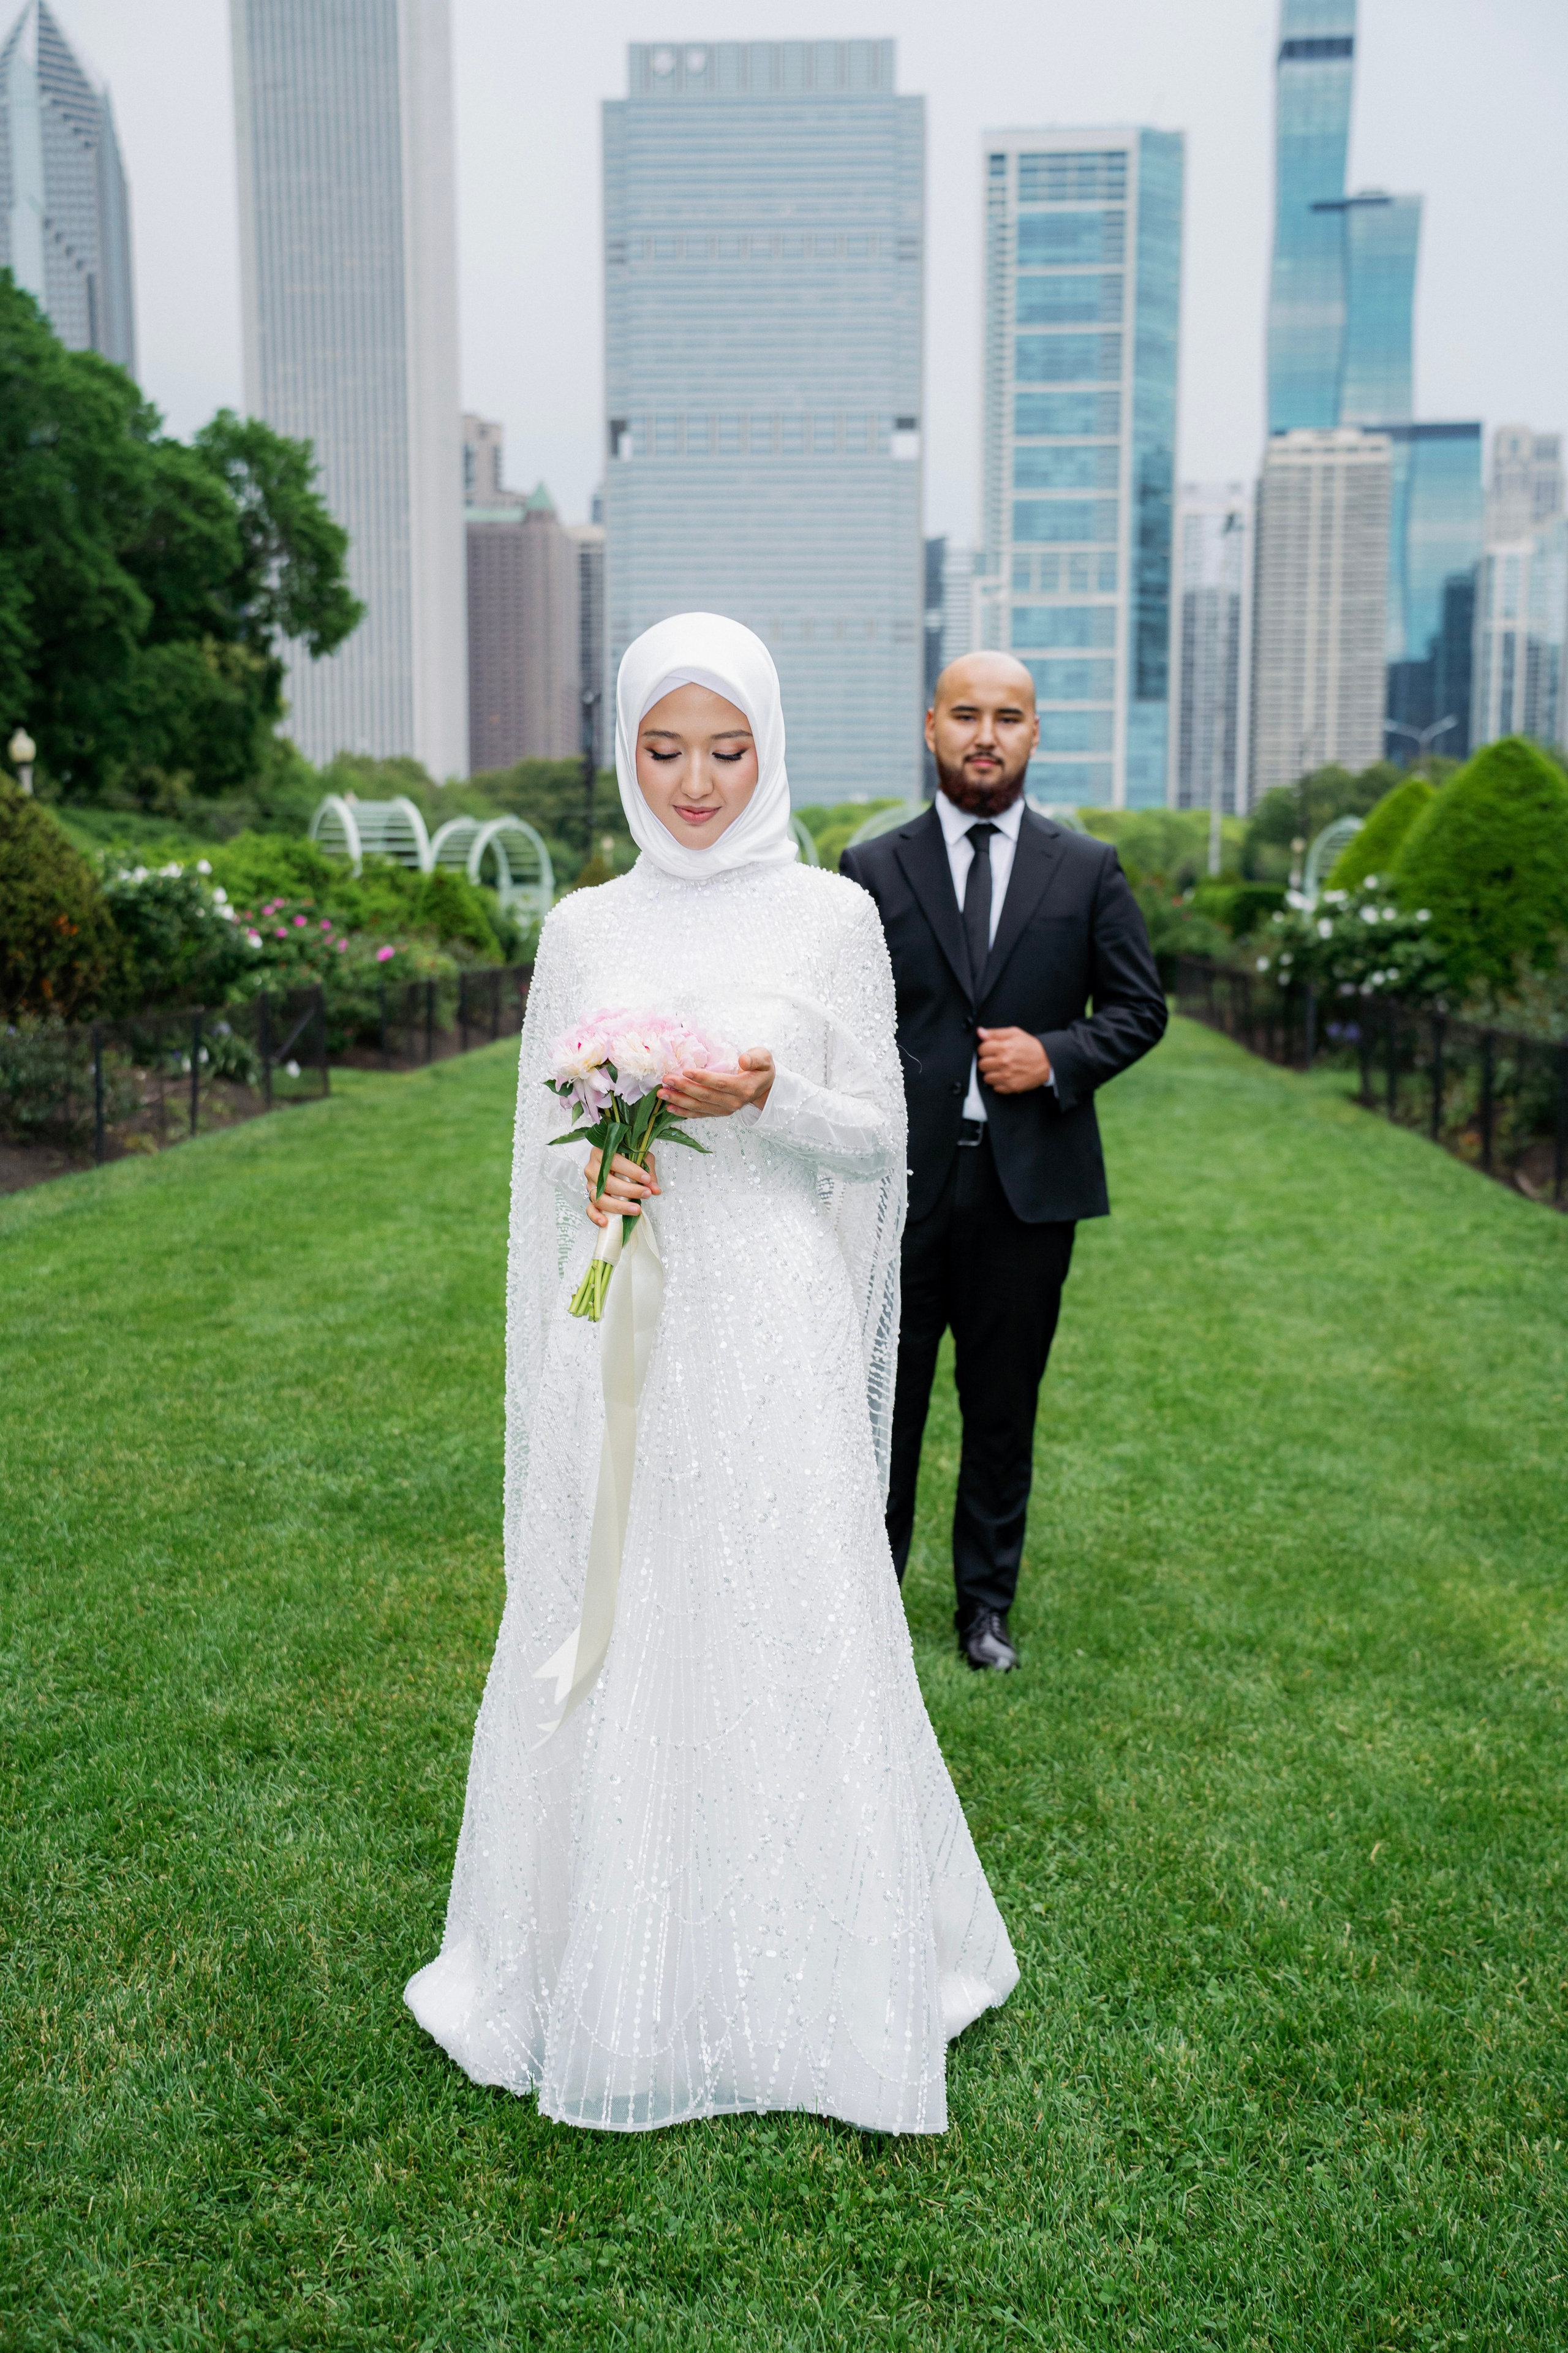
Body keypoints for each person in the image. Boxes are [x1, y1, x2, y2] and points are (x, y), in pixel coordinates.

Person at [406, 614, 1017, 2135]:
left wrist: (763, 1092)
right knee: (621, 1593)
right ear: (623, 753)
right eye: (662, 749)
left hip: (772, 1312)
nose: (692, 780)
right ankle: (588, 1950)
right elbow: (540, 1165)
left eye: (724, 750)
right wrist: (597, 1184)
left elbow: (879, 1137)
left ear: (769, 748)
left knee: (776, 1592)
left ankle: (809, 1949)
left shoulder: (826, 916)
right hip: (625, 1319)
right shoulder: (583, 930)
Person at [840, 653, 1166, 1674]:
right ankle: (868, 1601)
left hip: (1030, 1189)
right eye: (968, 715)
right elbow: (841, 1022)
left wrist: (1055, 1055)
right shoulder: (870, 867)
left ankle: (985, 1609)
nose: (987, 734)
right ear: (931, 726)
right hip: (899, 1186)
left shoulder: (1088, 870)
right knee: (882, 1402)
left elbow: (1139, 1009)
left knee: (1002, 1404)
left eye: (1009, 717)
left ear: (1035, 735)